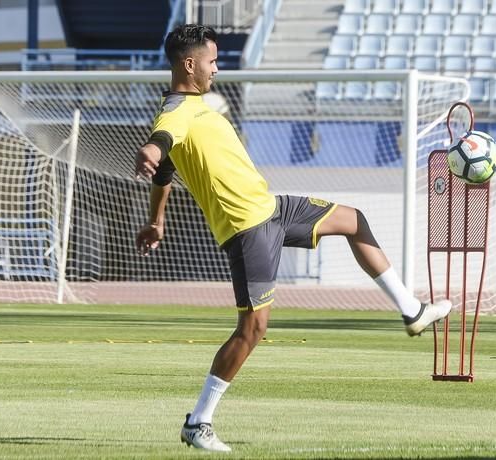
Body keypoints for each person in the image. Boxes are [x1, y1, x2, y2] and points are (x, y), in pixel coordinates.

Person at [135, 24, 451, 452]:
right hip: (247, 229)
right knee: (254, 329)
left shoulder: (197, 108)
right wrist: (150, 151)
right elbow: (160, 143)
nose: (216, 69)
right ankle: (199, 422)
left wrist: (157, 220)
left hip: (274, 209)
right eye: (211, 61)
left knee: (354, 220)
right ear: (189, 65)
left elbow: (166, 172)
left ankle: (412, 311)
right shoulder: (177, 111)